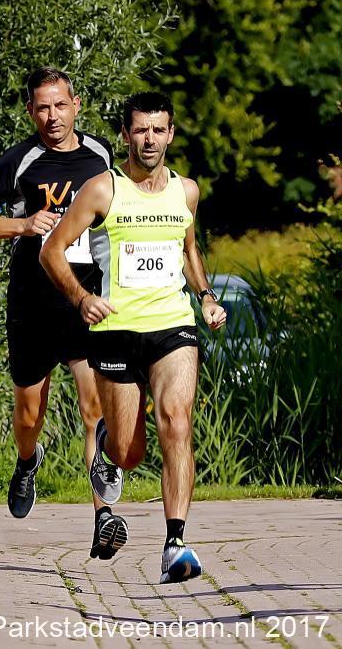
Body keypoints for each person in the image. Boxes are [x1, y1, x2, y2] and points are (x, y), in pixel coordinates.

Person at [40, 91, 227, 583]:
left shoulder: (186, 192)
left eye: (158, 129)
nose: (149, 139)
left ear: (171, 133)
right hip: (116, 329)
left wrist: (205, 296)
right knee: (129, 453)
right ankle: (108, 442)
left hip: (173, 324)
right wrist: (81, 298)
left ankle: (175, 543)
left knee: (177, 421)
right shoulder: (103, 190)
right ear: (125, 134)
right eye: (140, 129)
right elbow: (52, 251)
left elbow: (187, 249)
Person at [0, 67, 128, 560]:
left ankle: (103, 517)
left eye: (60, 105)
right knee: (30, 414)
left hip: (85, 298)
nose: (52, 116)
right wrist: (23, 225)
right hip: (32, 304)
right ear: (31, 111)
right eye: (43, 108)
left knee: (94, 408)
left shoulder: (101, 156)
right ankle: (27, 461)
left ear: (77, 105)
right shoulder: (20, 161)